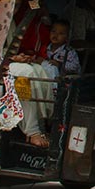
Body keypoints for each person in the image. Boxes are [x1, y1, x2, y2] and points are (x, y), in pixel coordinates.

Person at [12, 19, 80, 147]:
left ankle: (42, 122)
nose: (56, 35)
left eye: (61, 33)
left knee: (37, 72)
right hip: (7, 64)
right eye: (54, 32)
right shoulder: (46, 48)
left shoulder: (67, 52)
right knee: (27, 76)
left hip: (54, 79)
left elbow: (75, 66)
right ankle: (32, 130)